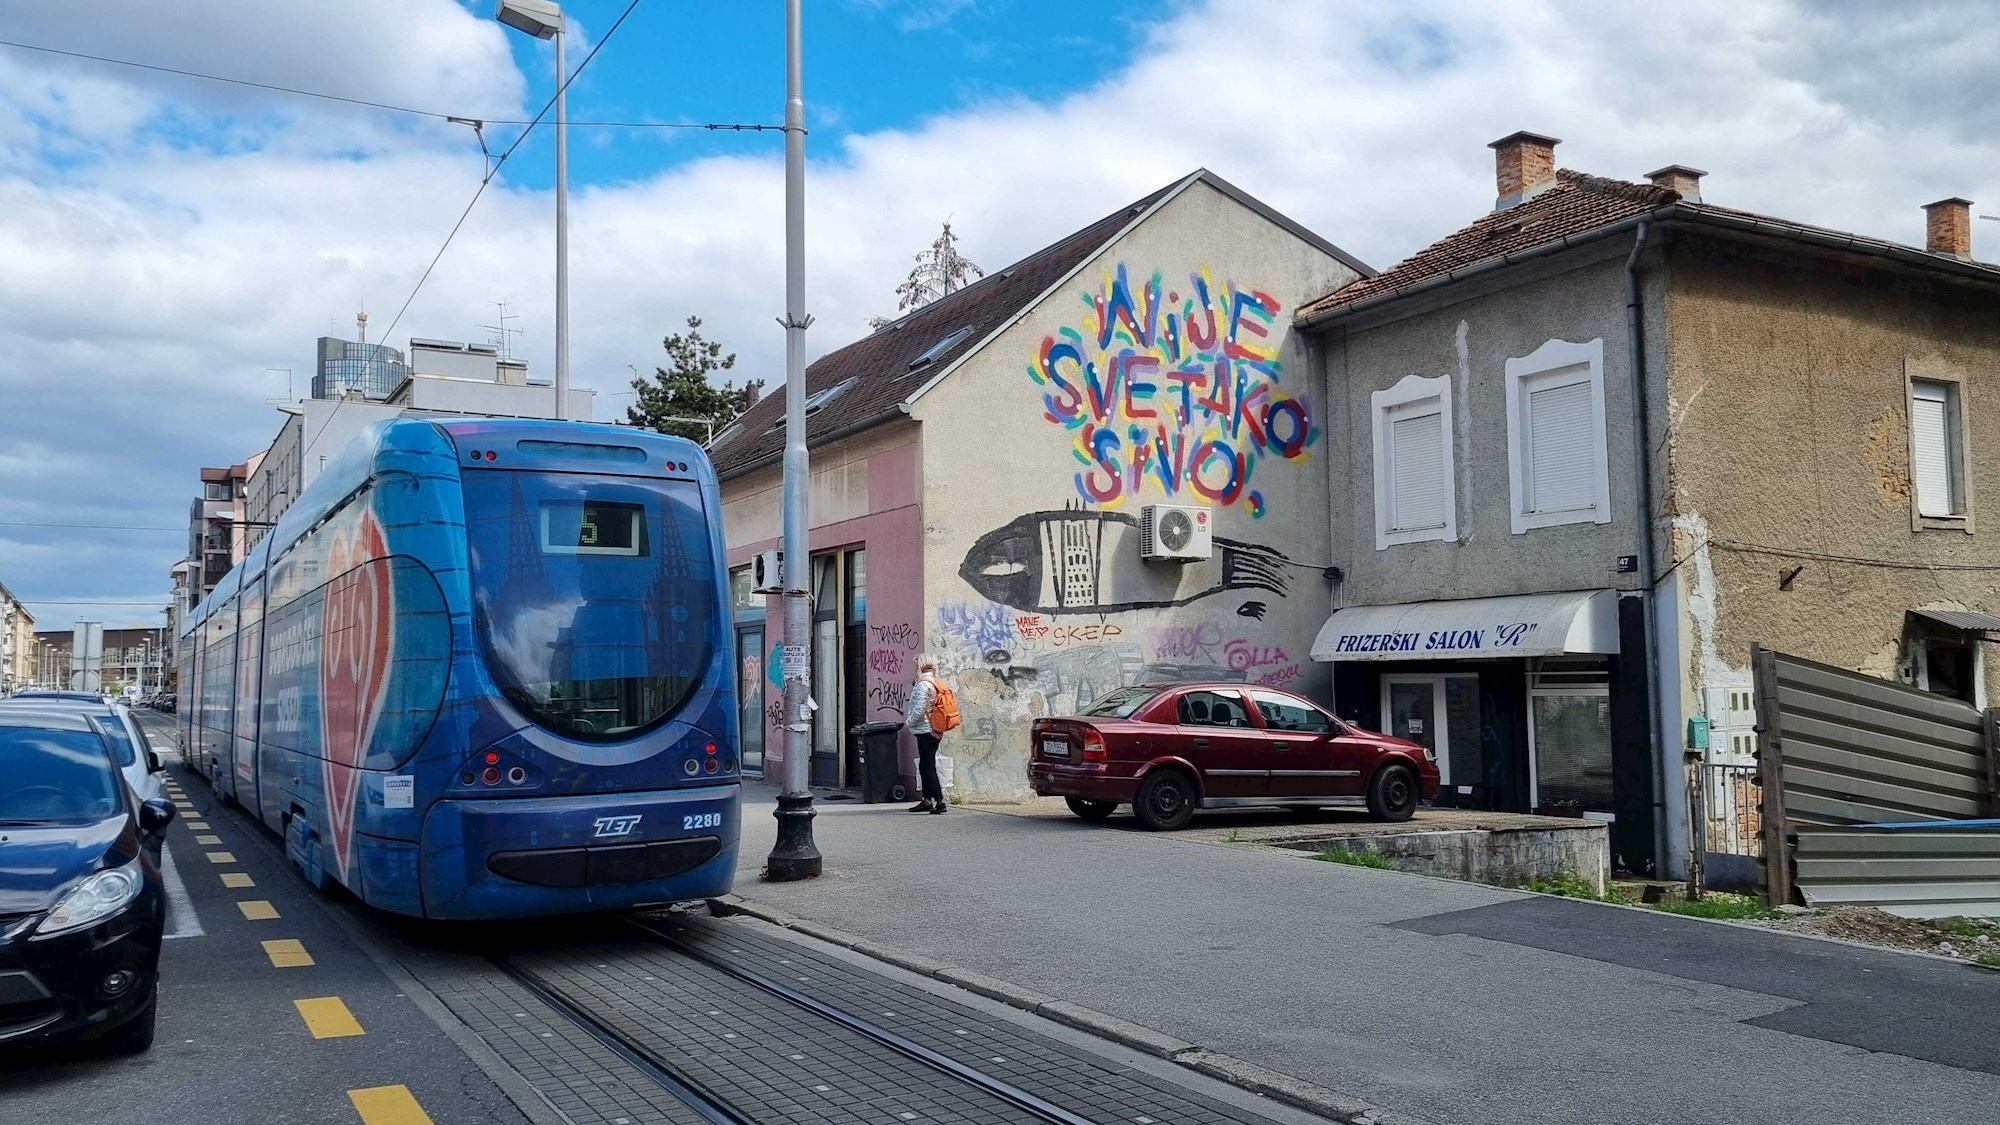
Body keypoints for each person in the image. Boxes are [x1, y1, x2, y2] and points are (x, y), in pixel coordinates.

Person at [905, 660, 946, 814]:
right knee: (924, 764)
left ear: (919, 667)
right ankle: (927, 800)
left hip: (925, 730)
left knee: (927, 766)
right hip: (935, 728)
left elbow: (919, 708)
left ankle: (940, 801)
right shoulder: (936, 682)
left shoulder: (923, 684)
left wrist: (909, 723)